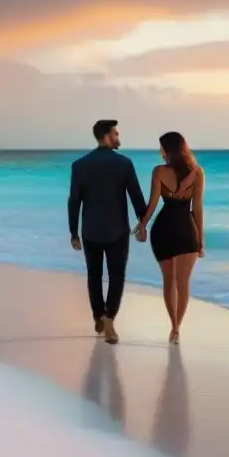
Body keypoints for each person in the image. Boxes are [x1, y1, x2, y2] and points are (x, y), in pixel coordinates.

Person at [68, 119, 148, 345]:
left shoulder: (80, 165)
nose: (118, 136)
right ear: (107, 135)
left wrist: (73, 232)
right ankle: (110, 319)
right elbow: (136, 197)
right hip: (118, 231)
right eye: (116, 133)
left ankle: (98, 316)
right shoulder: (124, 164)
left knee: (94, 276)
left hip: (90, 230)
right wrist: (143, 223)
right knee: (116, 276)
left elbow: (74, 201)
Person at [132, 131, 205, 345]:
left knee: (168, 282)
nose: (159, 151)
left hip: (163, 230)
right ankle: (176, 329)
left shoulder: (159, 172)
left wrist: (142, 226)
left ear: (168, 149)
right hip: (186, 231)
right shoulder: (197, 173)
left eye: (161, 147)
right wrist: (200, 240)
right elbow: (197, 209)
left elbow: (153, 204)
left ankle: (173, 324)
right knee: (183, 283)